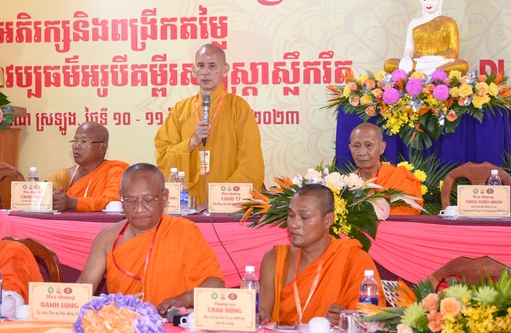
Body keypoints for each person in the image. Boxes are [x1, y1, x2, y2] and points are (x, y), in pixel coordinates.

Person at [78, 163, 224, 315]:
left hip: (170, 322)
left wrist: (186, 298)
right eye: (130, 200)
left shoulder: (184, 231)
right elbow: (83, 287)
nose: (139, 209)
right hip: (125, 323)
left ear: (164, 197)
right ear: (121, 197)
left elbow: (215, 285)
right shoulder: (108, 238)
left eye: (148, 200)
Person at [258, 184, 385, 326]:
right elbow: (263, 314)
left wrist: (348, 320)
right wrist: (259, 316)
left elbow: (373, 319)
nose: (294, 224)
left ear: (328, 220)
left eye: (304, 217)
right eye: (291, 215)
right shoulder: (276, 258)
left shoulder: (353, 259)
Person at [154, 44, 264, 205]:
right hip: (189, 204)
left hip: (226, 204)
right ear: (193, 71)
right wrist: (191, 143)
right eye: (201, 65)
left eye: (212, 66)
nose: (205, 71)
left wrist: (218, 199)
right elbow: (163, 156)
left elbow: (251, 165)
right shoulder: (180, 109)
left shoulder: (238, 108)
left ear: (225, 70)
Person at [384, 0, 468, 75]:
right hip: (418, 62)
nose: (428, 3)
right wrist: (406, 58)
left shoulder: (449, 22)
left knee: (463, 65)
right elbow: (409, 48)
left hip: (440, 62)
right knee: (389, 64)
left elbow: (454, 51)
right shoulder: (414, 22)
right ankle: (433, 73)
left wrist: (435, 58)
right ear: (420, 0)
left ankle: (424, 72)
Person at [47, 122, 129, 212]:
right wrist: (53, 199)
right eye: (75, 141)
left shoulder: (114, 172)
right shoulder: (67, 175)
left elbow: (112, 203)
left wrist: (73, 202)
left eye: (84, 141)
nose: (76, 146)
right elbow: (42, 194)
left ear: (103, 147)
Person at [349, 123, 423, 215]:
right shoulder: (345, 183)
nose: (362, 152)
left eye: (369, 145)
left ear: (381, 148)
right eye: (356, 146)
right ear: (350, 148)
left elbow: (409, 213)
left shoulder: (398, 177)